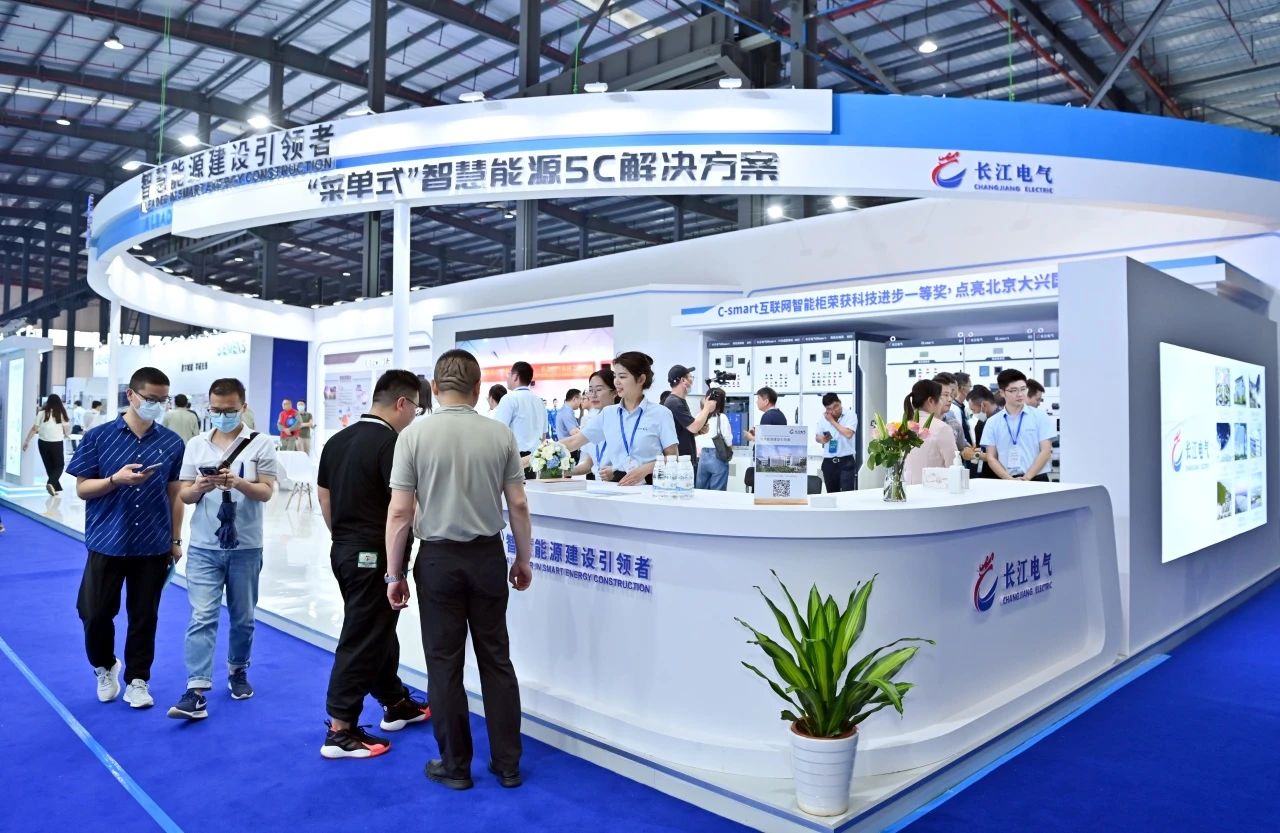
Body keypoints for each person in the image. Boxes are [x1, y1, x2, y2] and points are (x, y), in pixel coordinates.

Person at [385, 349, 533, 790]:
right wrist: (523, 558)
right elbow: (519, 504)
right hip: (487, 557)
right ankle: (508, 764)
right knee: (496, 658)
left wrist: (394, 574)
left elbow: (400, 512)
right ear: (477, 388)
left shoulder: (413, 436)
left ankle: (455, 766)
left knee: (444, 664)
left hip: (438, 561)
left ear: (434, 388)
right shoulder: (500, 434)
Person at [316, 370, 431, 758]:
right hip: (374, 554)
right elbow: (401, 510)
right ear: (402, 403)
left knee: (378, 629)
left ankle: (394, 701)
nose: (415, 416)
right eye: (416, 408)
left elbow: (325, 498)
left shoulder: (337, 440)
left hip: (345, 549)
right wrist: (394, 570)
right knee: (363, 635)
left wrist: (346, 538)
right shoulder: (393, 445)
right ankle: (340, 728)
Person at [67, 367, 187, 709]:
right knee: (94, 613)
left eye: (162, 400)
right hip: (107, 539)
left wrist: (175, 540)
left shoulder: (171, 443)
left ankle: (138, 679)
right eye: (151, 398)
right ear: (131, 395)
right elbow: (82, 488)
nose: (156, 405)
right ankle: (105, 666)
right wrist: (114, 481)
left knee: (144, 616)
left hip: (152, 543)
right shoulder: (98, 437)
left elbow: (175, 494)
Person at [168, 378, 277, 720]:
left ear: (243, 407)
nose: (222, 415)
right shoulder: (196, 444)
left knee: (243, 617)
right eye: (216, 410)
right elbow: (184, 495)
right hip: (204, 545)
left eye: (229, 410)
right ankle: (196, 689)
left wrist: (239, 483)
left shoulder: (261, 443)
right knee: (202, 615)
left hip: (246, 545)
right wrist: (200, 487)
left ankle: (237, 669)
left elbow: (267, 492)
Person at [563, 352, 677, 486]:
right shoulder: (608, 414)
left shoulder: (661, 413)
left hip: (651, 486)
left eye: (622, 376)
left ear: (641, 379)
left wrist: (646, 469)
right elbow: (574, 441)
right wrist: (544, 451)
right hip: (617, 486)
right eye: (615, 376)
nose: (616, 382)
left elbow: (673, 458)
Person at [982, 370, 1057, 482]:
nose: (1020, 394)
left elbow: (1046, 451)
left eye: (1023, 389)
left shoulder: (1040, 416)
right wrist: (1009, 479)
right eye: (1013, 390)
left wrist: (1027, 477)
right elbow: (991, 457)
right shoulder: (992, 422)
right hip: (1008, 480)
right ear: (1002, 393)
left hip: (1037, 479)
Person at [663, 365, 718, 478]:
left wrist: (699, 431)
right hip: (680, 463)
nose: (692, 381)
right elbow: (694, 427)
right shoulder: (674, 402)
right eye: (690, 377)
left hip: (685, 461)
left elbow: (683, 431)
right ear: (683, 380)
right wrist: (707, 408)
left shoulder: (680, 401)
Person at [491, 362, 545, 473]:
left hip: (515, 461)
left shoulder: (509, 399)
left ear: (515, 376)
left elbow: (497, 432)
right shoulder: (539, 401)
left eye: (509, 374)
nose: (507, 377)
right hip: (535, 461)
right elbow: (543, 435)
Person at [902, 380, 958, 485]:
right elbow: (954, 466)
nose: (942, 403)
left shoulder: (904, 427)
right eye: (941, 398)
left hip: (908, 490)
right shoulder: (942, 428)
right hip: (934, 490)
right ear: (931, 401)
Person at [24, 394, 72, 495]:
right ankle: (51, 483)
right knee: (59, 465)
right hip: (56, 443)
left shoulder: (41, 413)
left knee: (49, 466)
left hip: (42, 443)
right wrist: (66, 434)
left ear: (48, 402)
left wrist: (27, 441)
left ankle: (55, 488)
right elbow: (67, 429)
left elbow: (34, 428)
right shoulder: (61, 413)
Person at [815, 392, 858, 493]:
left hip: (846, 462)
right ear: (826, 409)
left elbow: (848, 434)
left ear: (840, 402)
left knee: (847, 494)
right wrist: (824, 439)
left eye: (836, 406)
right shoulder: (823, 419)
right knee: (832, 494)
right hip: (829, 462)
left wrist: (832, 421)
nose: (834, 411)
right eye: (829, 409)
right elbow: (817, 437)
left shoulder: (850, 415)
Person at [694, 388, 731, 491]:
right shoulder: (722, 417)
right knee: (717, 493)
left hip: (702, 457)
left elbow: (695, 437)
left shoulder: (699, 416)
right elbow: (728, 439)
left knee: (701, 491)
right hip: (718, 456)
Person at [966, 386, 1001, 478]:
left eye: (973, 410)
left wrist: (975, 455)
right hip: (985, 470)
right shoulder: (983, 422)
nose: (973, 413)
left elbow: (1000, 453)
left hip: (996, 473)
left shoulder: (1000, 422)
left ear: (983, 405)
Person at [931, 373, 966, 449]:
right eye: (945, 395)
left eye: (950, 395)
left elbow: (962, 448)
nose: (950, 399)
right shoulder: (918, 423)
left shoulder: (954, 424)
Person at [555, 389, 582, 460]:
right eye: (580, 399)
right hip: (570, 449)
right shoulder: (567, 412)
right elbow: (574, 432)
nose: (581, 402)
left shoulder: (564, 410)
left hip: (566, 448)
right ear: (574, 399)